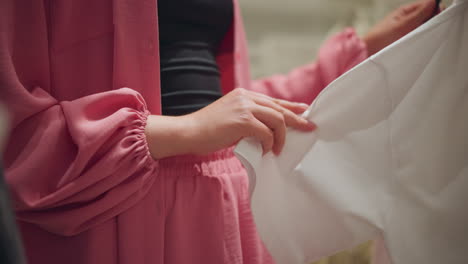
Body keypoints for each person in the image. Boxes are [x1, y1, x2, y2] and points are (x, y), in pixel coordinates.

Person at [0, 0, 439, 263]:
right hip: (116, 217)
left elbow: (224, 105)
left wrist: (363, 52)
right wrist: (188, 129)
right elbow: (16, 141)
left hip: (226, 207)